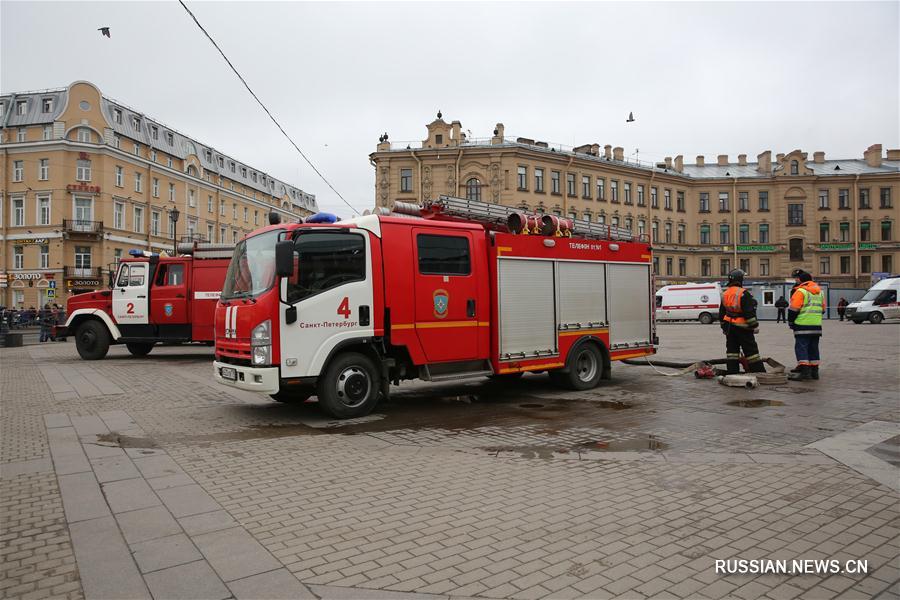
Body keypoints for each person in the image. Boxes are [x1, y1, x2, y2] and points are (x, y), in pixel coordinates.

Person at [718, 269, 766, 374]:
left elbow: (721, 313)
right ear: (741, 279)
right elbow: (749, 313)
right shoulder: (744, 293)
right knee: (751, 352)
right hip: (743, 327)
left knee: (732, 352)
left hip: (729, 327)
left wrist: (724, 327)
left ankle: (732, 371)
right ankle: (758, 372)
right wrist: (754, 325)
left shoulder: (725, 294)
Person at [788, 269, 826, 380]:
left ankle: (804, 373)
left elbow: (793, 310)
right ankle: (815, 372)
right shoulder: (820, 292)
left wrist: (791, 322)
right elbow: (823, 310)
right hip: (816, 326)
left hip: (802, 325)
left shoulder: (801, 291)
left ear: (801, 280)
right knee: (814, 348)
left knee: (802, 348)